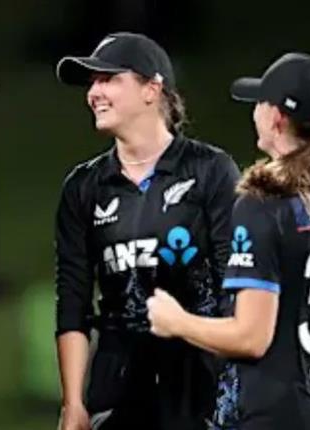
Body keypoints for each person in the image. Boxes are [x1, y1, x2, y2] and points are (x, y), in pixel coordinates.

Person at [147, 52, 310, 430]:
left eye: (259, 103)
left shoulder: (263, 205)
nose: (254, 112)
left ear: (276, 118)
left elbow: (252, 338)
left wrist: (177, 321)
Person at [53, 32, 240, 429]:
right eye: (92, 82)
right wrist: (73, 404)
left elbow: (235, 285)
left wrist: (235, 382)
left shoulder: (210, 170)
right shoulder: (83, 187)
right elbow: (72, 300)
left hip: (197, 384)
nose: (94, 93)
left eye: (108, 79)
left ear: (151, 90)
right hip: (116, 387)